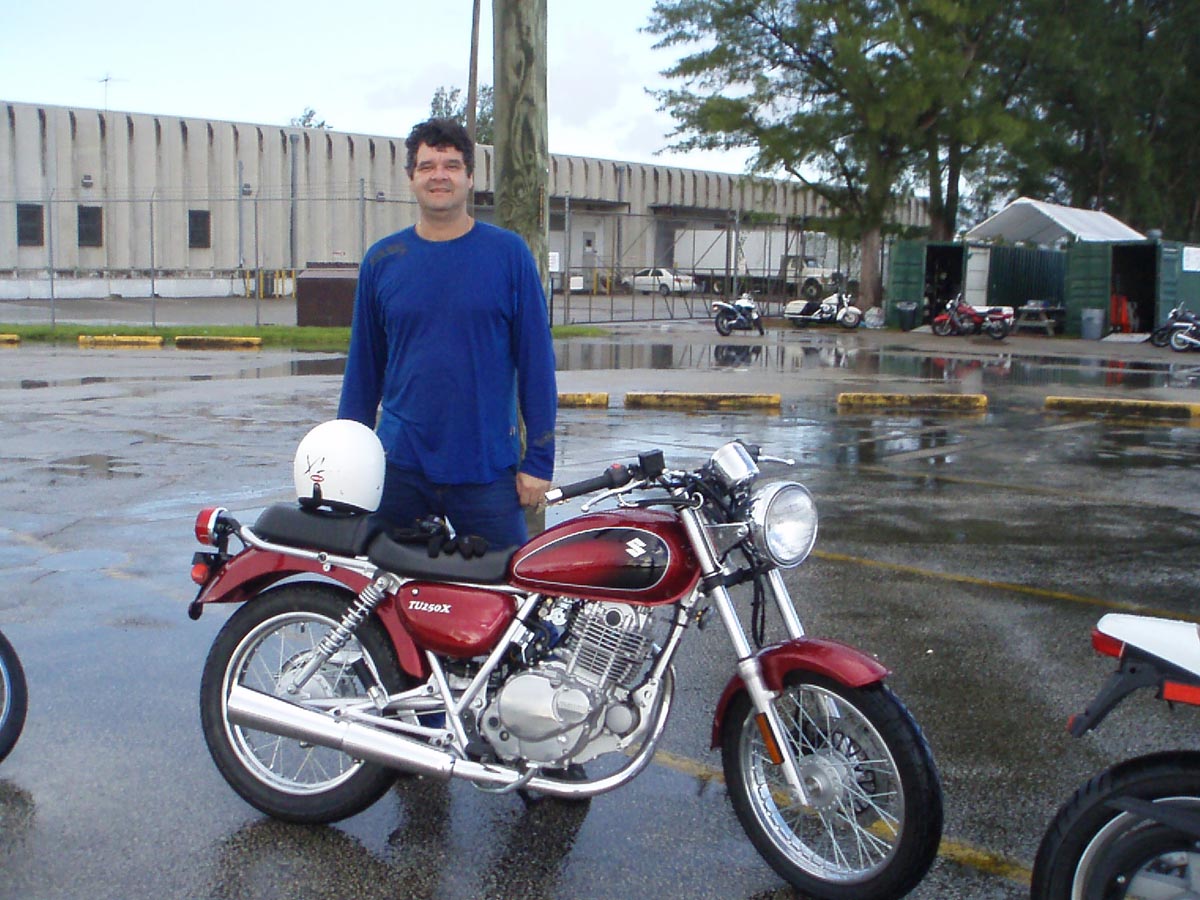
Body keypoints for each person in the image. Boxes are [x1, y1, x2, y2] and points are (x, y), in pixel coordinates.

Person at [338, 117, 557, 549]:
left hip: (485, 470)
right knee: (381, 585)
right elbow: (363, 370)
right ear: (411, 178)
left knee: (511, 585)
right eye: (427, 166)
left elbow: (536, 363)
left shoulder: (509, 255)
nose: (439, 175)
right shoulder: (383, 260)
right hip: (399, 466)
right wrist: (346, 459)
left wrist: (539, 460)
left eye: (452, 165)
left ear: (470, 177)